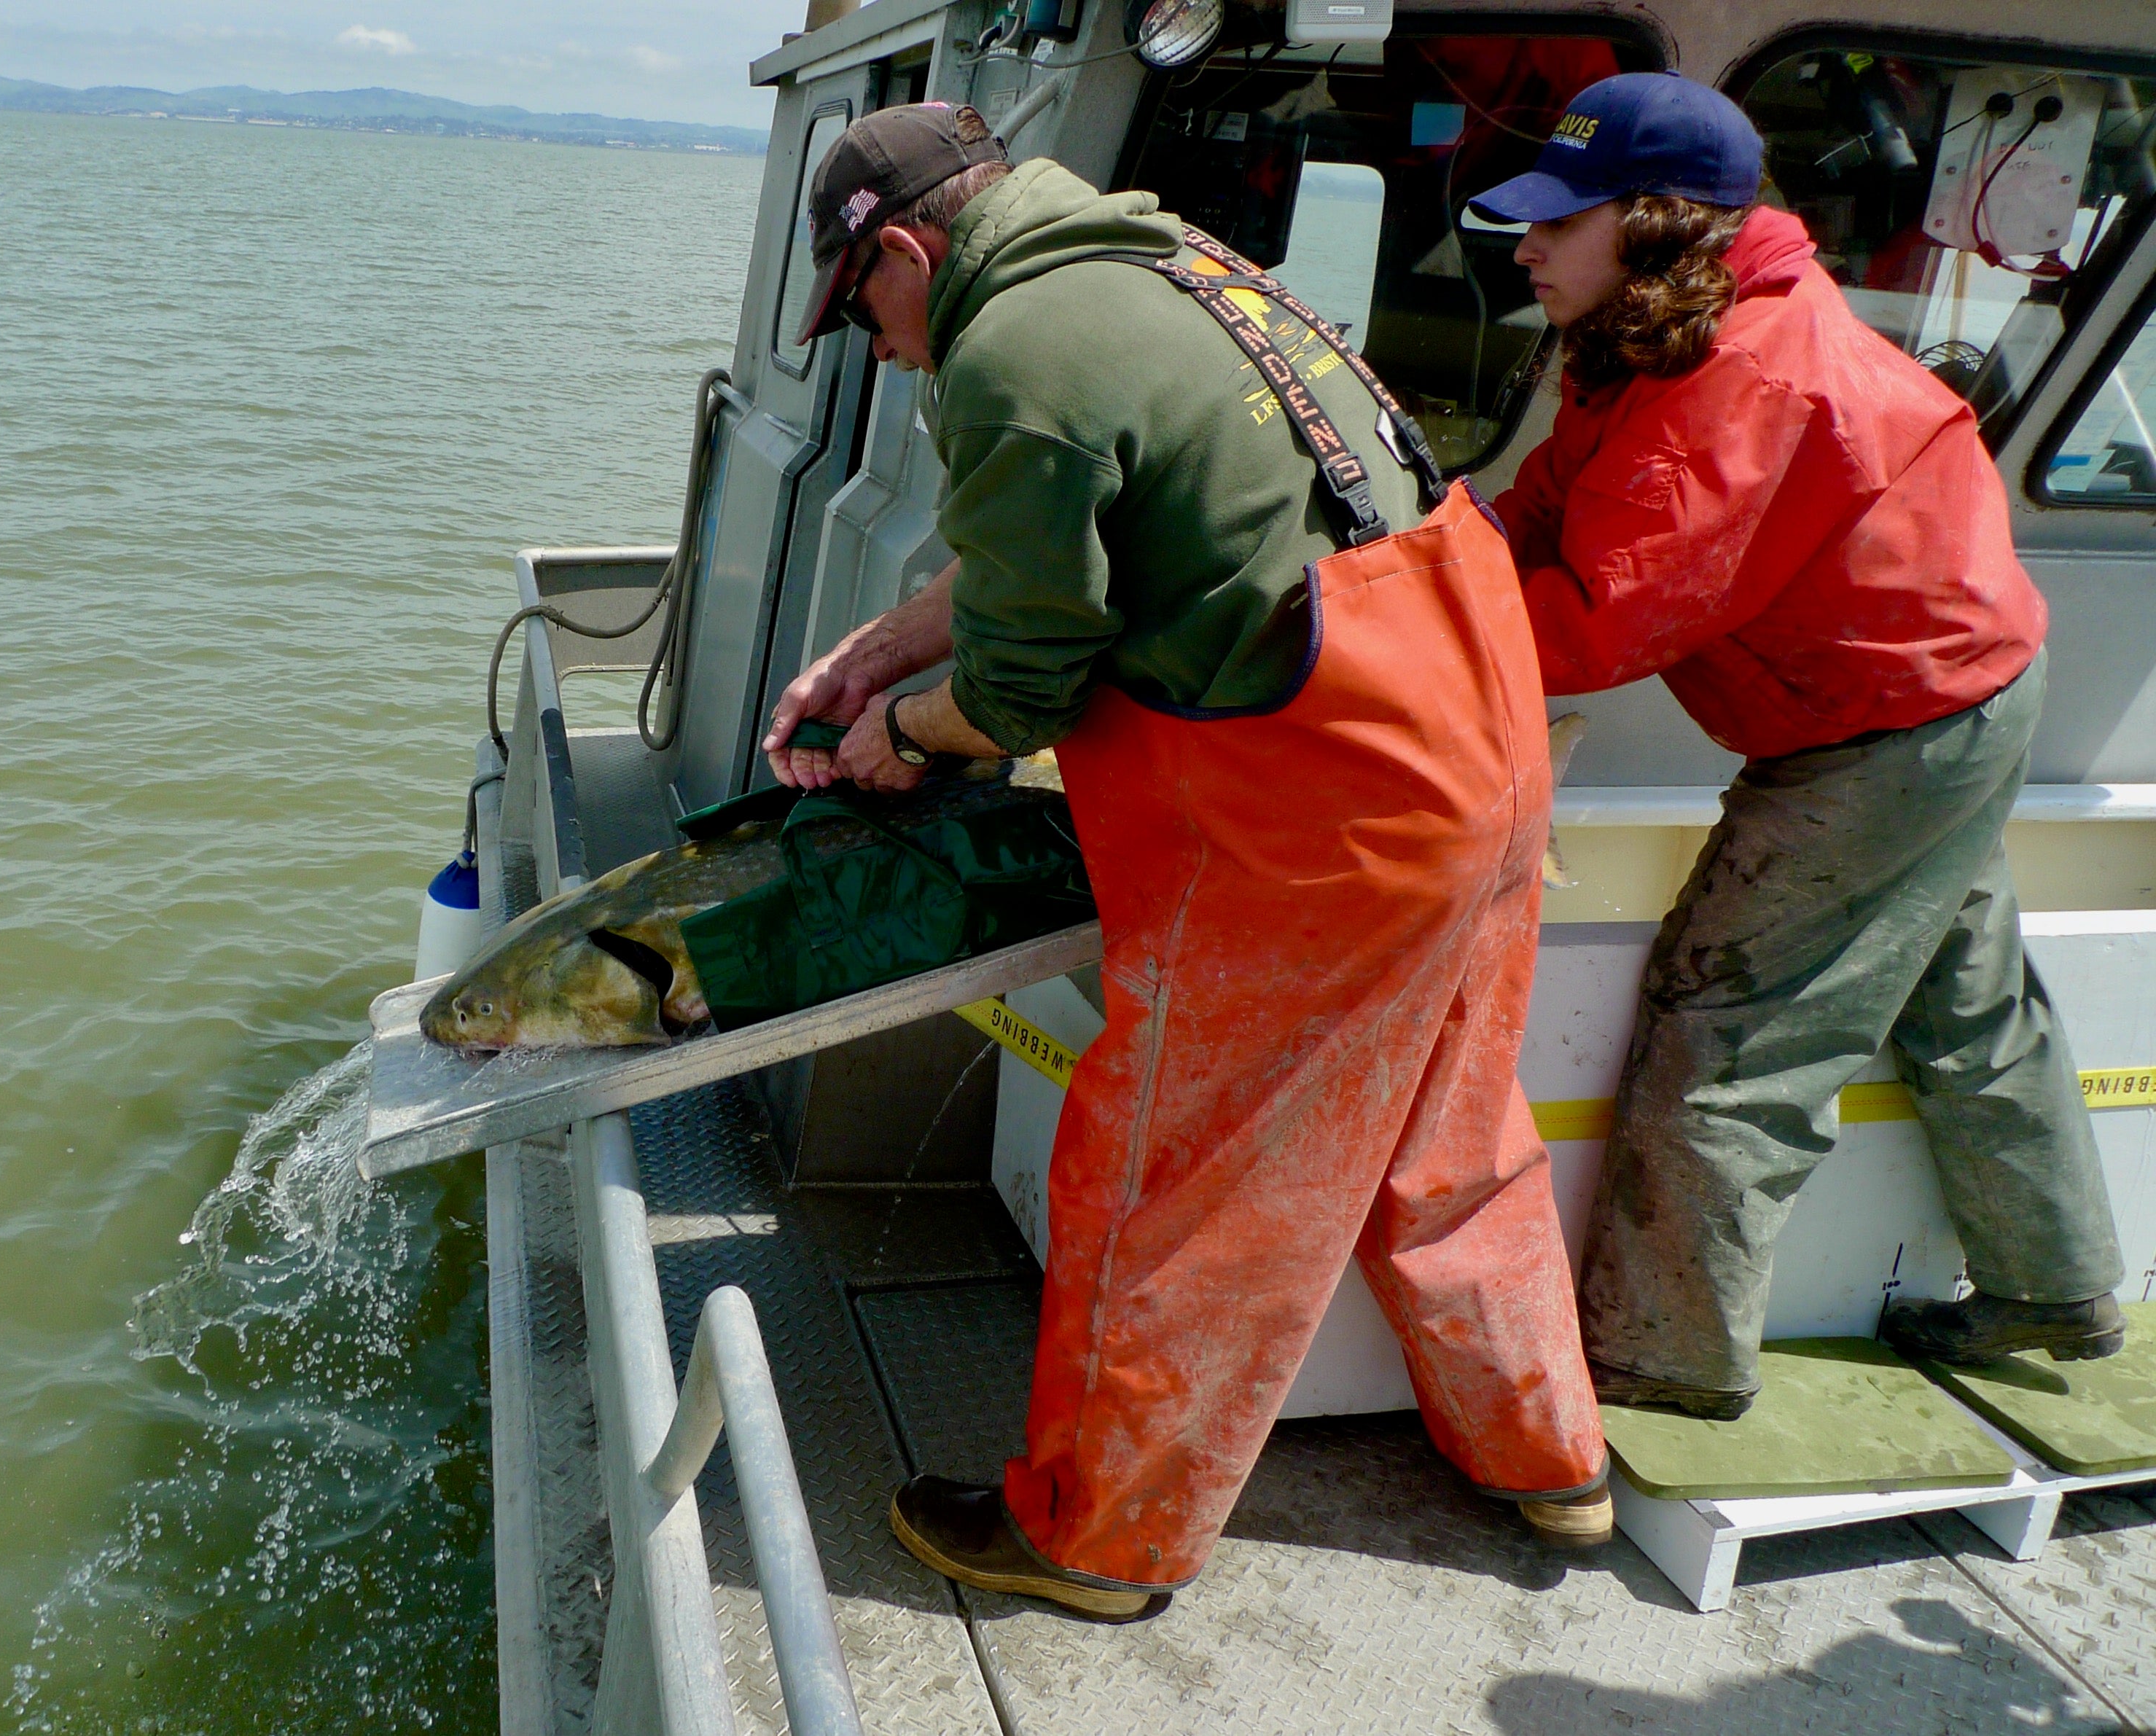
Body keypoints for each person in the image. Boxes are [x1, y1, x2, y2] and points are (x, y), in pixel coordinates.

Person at [762, 101, 1609, 1620]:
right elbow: (1103, 515)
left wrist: (900, 732)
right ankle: (1546, 1461)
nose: (873, 346)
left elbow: (1023, 686)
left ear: (905, 248)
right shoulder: (1173, 263)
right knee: (1453, 1140)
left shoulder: (1007, 348)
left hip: (1323, 819)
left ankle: (1094, 1541)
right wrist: (883, 650)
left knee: (1175, 1182)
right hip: (1476, 752)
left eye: (860, 310)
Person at [1467, 73, 2127, 1421]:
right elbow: (1545, 505)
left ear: (1654, 226)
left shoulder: (1743, 369)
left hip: (1891, 724)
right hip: (1955, 687)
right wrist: (1419, 559)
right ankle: (2055, 1286)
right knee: (1962, 998)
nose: (1520, 246)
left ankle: (1663, 1361)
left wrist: (1365, 645)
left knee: (1728, 1027)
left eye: (1556, 222)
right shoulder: (1653, 331)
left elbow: (1594, 627)